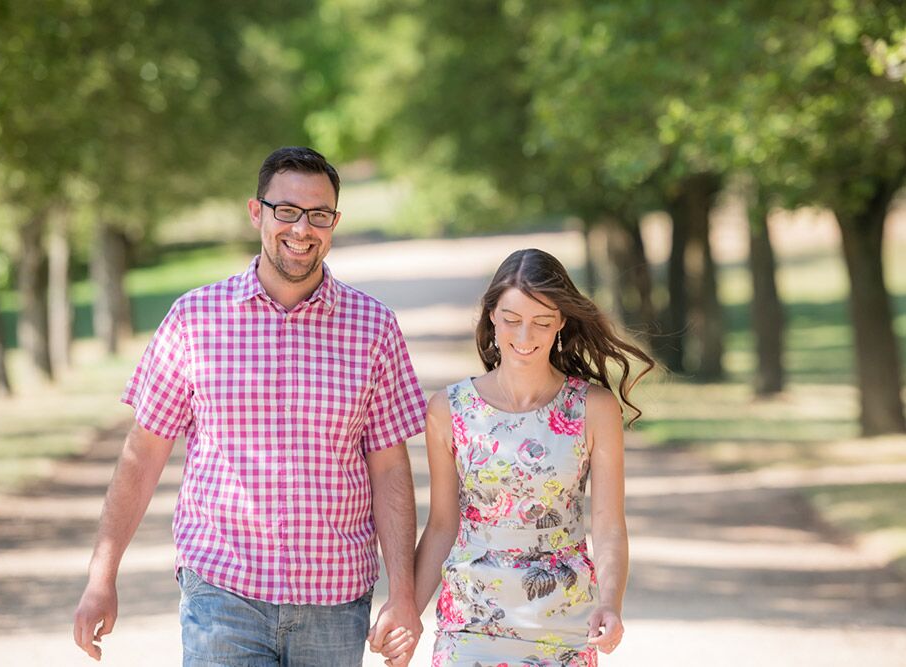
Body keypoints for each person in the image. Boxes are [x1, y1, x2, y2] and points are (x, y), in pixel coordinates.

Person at [73, 146, 427, 666]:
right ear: (256, 212)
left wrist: (403, 595)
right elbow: (142, 454)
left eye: (319, 215)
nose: (302, 229)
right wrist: (101, 577)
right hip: (223, 593)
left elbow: (390, 468)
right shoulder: (194, 320)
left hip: (335, 600)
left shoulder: (374, 328)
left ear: (334, 222)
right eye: (287, 210)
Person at [382, 248, 654, 666]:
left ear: (561, 322)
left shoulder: (594, 408)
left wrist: (610, 604)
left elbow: (609, 525)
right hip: (470, 622)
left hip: (564, 623)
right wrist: (409, 617)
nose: (525, 337)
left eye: (542, 322)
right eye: (512, 319)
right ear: (491, 314)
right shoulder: (450, 409)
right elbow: (441, 526)